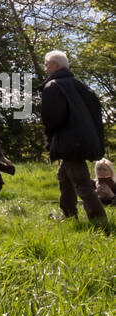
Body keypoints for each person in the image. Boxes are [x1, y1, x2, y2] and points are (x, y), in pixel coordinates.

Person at [40, 51, 106, 224]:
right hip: (85, 140)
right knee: (64, 177)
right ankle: (69, 216)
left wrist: (51, 140)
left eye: (46, 64)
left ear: (55, 65)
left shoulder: (53, 86)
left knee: (81, 182)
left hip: (69, 143)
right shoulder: (81, 86)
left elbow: (52, 119)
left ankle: (99, 220)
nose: (45, 68)